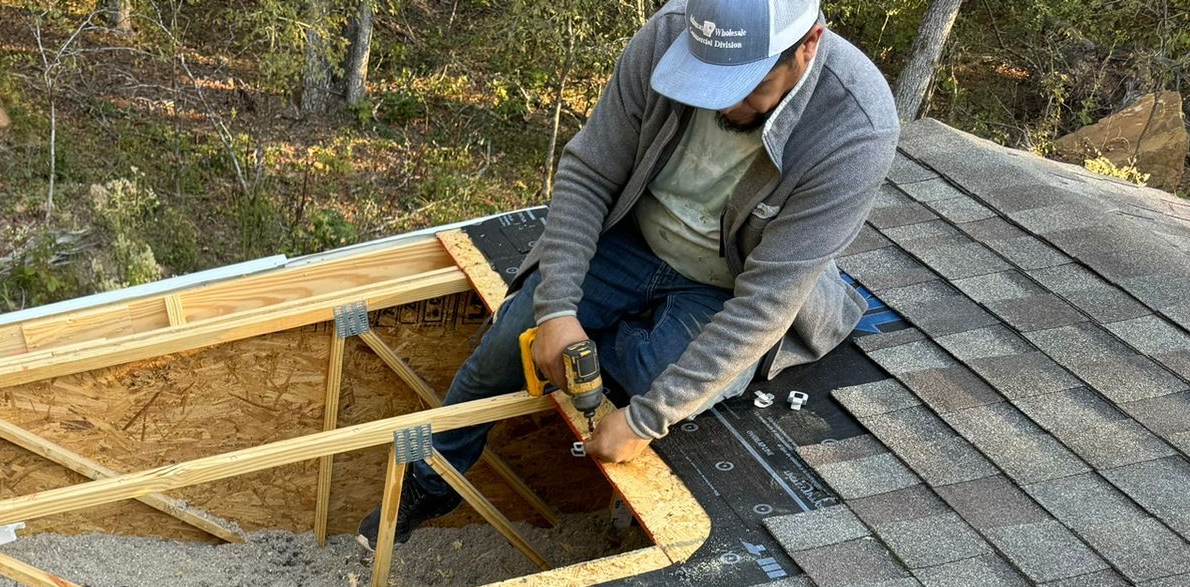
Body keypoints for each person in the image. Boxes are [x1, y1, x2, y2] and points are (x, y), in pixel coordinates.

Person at [361, 0, 899, 546]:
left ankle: (637, 360)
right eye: (702, 79)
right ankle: (429, 483)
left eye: (739, 86)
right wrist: (558, 311)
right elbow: (589, 173)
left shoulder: (856, 128)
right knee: (510, 343)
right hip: (633, 238)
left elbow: (767, 301)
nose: (718, 100)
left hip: (727, 283)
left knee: (649, 385)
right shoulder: (669, 32)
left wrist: (646, 420)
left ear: (807, 45)